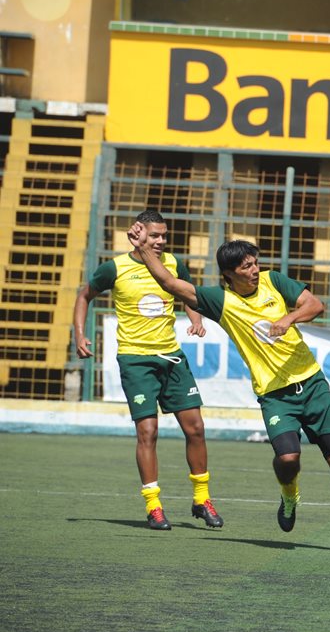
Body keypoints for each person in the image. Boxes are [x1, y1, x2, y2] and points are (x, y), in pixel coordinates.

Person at [126, 223, 330, 554]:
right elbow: (169, 282)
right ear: (229, 274)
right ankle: (289, 492)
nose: (254, 270)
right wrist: (144, 249)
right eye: (246, 267)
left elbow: (316, 304)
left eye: (255, 262)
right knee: (288, 458)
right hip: (274, 395)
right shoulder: (219, 300)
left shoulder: (274, 281)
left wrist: (288, 319)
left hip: (312, 384)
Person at [73, 210, 222, 531]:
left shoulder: (172, 263)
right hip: (135, 359)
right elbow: (84, 296)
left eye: (163, 236)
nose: (160, 241)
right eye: (154, 235)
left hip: (171, 357)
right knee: (148, 432)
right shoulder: (115, 267)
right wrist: (79, 334)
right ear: (139, 234)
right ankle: (154, 506)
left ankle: (202, 500)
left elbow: (187, 293)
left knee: (195, 428)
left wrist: (195, 318)